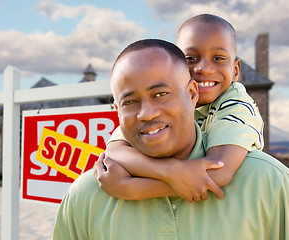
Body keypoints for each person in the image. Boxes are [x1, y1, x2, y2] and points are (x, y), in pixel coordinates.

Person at [53, 39, 289, 240]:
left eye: (160, 94)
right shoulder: (85, 196)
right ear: (116, 110)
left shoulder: (270, 184)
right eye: (130, 102)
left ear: (191, 93)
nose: (147, 113)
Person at [101, 14, 264, 202]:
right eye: (191, 58)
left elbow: (218, 173)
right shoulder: (168, 103)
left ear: (235, 70)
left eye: (218, 58)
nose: (204, 68)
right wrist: (171, 171)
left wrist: (131, 189)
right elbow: (115, 151)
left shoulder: (236, 105)